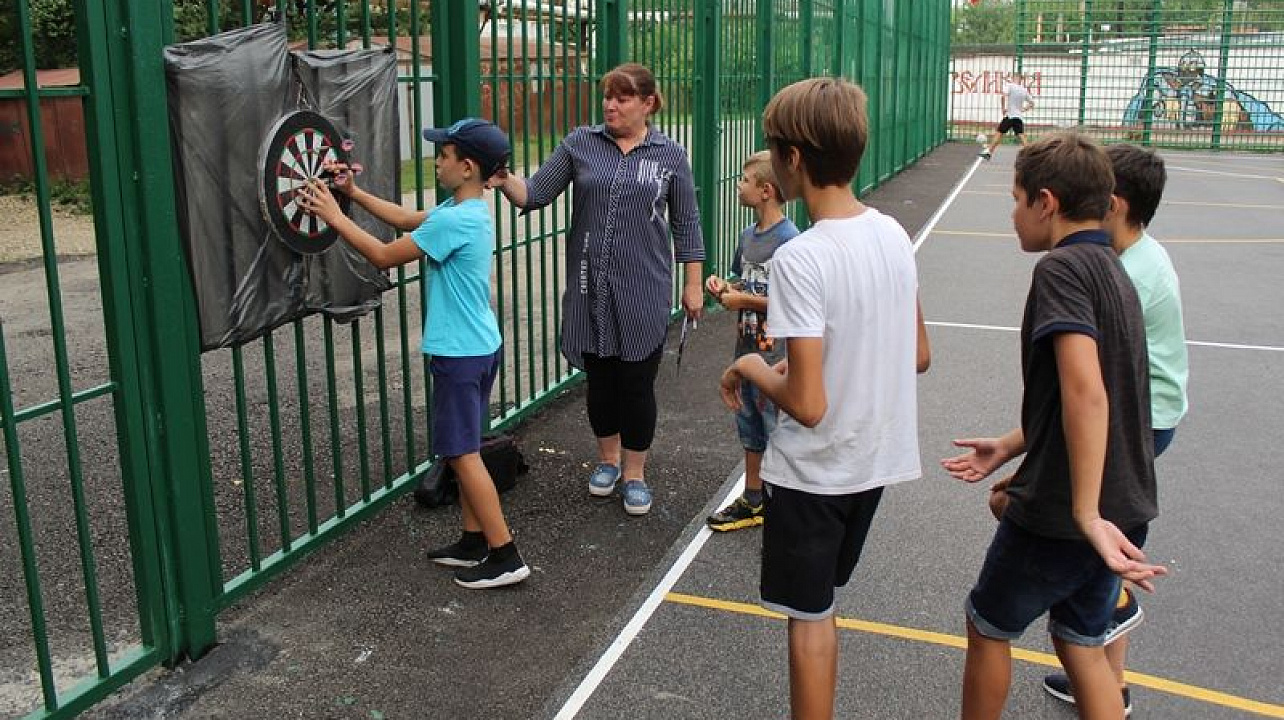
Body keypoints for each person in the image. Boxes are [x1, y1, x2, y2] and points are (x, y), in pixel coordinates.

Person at [718, 78, 930, 720]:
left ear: (793, 161)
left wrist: (754, 366)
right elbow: (917, 353)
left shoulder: (800, 259)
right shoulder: (892, 233)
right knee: (822, 606)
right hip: (874, 463)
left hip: (815, 473)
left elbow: (807, 404)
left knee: (808, 621)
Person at [941, 131, 1168, 720]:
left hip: (1067, 513)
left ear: (1046, 202)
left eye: (1016, 200)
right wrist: (1012, 444)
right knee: (1080, 641)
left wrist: (1085, 513)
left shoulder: (1062, 271)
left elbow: (1086, 392)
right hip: (1127, 501)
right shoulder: (1114, 269)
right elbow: (1104, 392)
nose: (1012, 215)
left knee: (987, 624)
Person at [298, 118, 529, 589]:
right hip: (480, 346)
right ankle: (472, 540)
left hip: (460, 355)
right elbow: (404, 221)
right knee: (467, 448)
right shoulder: (466, 210)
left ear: (466, 167)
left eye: (442, 155)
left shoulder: (453, 220)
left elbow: (384, 255)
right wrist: (354, 194)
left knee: (461, 453)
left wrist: (335, 216)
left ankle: (505, 554)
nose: (436, 160)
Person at [490, 63, 704, 517]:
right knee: (601, 381)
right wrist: (502, 176)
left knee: (637, 383)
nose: (611, 105)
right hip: (591, 288)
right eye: (608, 96)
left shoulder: (670, 155)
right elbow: (536, 193)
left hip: (645, 288)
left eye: (623, 98)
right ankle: (607, 461)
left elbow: (686, 223)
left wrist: (692, 284)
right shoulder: (580, 144)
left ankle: (635, 473)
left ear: (647, 103)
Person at [1035, 143, 1189, 716]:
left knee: (1092, 547)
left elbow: (1090, 392)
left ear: (1113, 203)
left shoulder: (1125, 277)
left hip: (1141, 419)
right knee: (1098, 553)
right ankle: (1107, 675)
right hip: (1150, 413)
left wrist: (1024, 447)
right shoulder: (1137, 257)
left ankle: (1106, 675)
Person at [703, 151, 799, 532]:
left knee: (778, 426)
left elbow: (794, 302)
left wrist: (745, 301)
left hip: (775, 354)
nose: (738, 186)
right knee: (750, 424)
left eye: (744, 180)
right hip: (746, 349)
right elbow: (742, 282)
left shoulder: (790, 241)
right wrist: (724, 288)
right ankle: (755, 496)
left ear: (765, 190)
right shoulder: (747, 237)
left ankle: (786, 498)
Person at [979, 71, 1033, 160]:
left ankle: (988, 152)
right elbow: (1032, 103)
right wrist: (1023, 109)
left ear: (1014, 78)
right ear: (1021, 80)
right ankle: (1030, 154)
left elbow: (1003, 96)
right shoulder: (1024, 90)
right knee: (1022, 135)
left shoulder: (1010, 86)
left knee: (999, 133)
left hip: (1010, 115)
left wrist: (1003, 108)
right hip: (1018, 116)